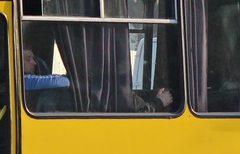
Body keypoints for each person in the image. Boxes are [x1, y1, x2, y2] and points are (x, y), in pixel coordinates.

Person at [22, 45, 173, 112]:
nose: (34, 63)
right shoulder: (23, 82)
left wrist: (153, 94)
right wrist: (159, 102)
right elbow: (59, 81)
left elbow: (128, 96)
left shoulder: (108, 91)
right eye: (28, 59)